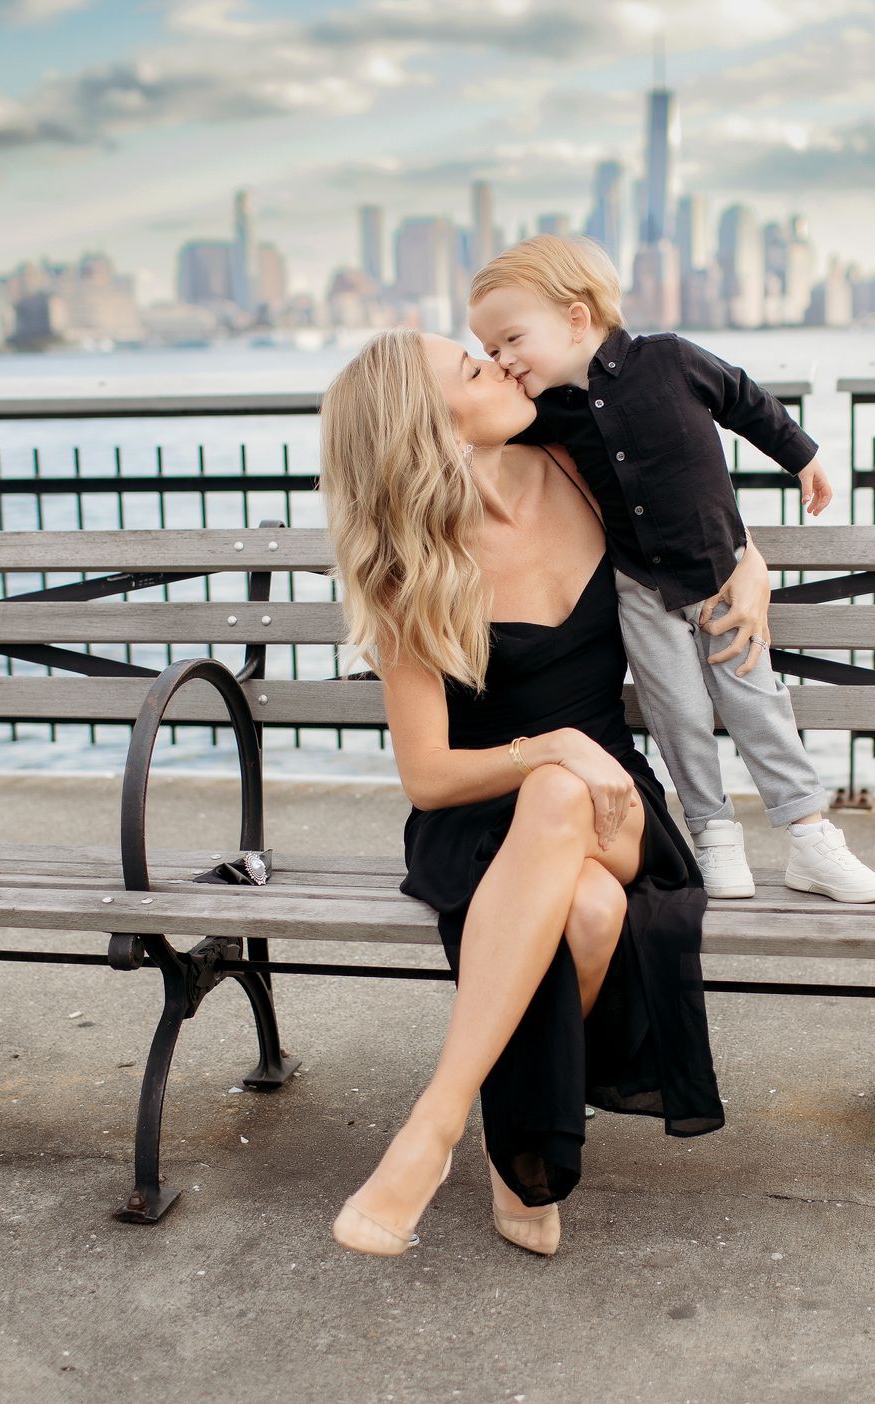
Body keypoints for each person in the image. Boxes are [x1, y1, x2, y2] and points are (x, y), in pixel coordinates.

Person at [318, 328, 726, 1259]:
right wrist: (549, 747)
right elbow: (427, 776)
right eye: (470, 368)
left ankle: (435, 1124)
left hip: (619, 804)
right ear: (433, 429)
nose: (498, 364)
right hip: (476, 820)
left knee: (567, 806)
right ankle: (520, 1161)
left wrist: (744, 560)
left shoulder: (580, 461)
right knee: (583, 907)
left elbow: (699, 490)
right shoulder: (409, 566)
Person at [468, 234, 875, 904]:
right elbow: (469, 431)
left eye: (512, 340)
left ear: (577, 318)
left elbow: (746, 401)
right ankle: (713, 835)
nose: (503, 360)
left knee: (758, 707)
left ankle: (811, 838)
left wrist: (802, 457)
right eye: (490, 352)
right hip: (641, 591)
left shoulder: (670, 359)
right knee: (678, 714)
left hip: (724, 581)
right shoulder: (547, 413)